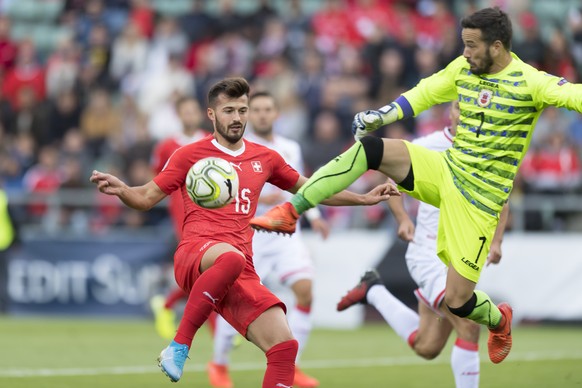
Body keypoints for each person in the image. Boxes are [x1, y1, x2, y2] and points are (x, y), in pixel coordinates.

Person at [251, 7, 582, 364]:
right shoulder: (461, 69)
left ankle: (500, 320)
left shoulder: (531, 82)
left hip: (479, 203)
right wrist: (383, 114)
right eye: (463, 44)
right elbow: (424, 93)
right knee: (371, 149)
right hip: (445, 170)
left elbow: (573, 95)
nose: (465, 53)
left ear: (497, 46)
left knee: (458, 302)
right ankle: (291, 210)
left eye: (472, 46)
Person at [89, 77, 399, 386]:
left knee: (284, 346)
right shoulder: (189, 155)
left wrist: (362, 198)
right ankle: (179, 345)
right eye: (228, 111)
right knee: (231, 259)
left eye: (242, 110)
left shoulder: (265, 158)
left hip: (241, 269)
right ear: (211, 115)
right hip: (196, 253)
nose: (237, 118)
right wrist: (122, 190)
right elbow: (145, 197)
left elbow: (313, 189)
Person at [336, 101, 509, 388]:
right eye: (458, 109)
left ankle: (373, 290)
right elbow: (392, 176)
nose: (464, 116)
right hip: (428, 251)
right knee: (467, 323)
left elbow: (501, 199)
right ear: (450, 113)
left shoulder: (486, 151)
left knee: (427, 347)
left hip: (461, 256)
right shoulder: (428, 144)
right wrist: (403, 218)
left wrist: (497, 241)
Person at [207, 91, 328, 388]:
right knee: (233, 301)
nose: (261, 114)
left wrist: (314, 217)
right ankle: (219, 365)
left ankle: (293, 366)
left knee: (305, 291)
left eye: (266, 109)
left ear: (276, 114)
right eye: (255, 109)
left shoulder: (290, 148)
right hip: (249, 236)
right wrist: (261, 195)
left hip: (286, 233)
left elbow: (302, 187)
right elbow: (223, 192)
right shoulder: (237, 149)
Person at [148, 95, 207, 340]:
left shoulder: (211, 141)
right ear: (179, 115)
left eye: (194, 111)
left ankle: (167, 304)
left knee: (208, 269)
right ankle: (221, 328)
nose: (190, 116)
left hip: (211, 209)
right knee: (201, 266)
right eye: (186, 111)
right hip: (182, 207)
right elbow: (159, 178)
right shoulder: (167, 146)